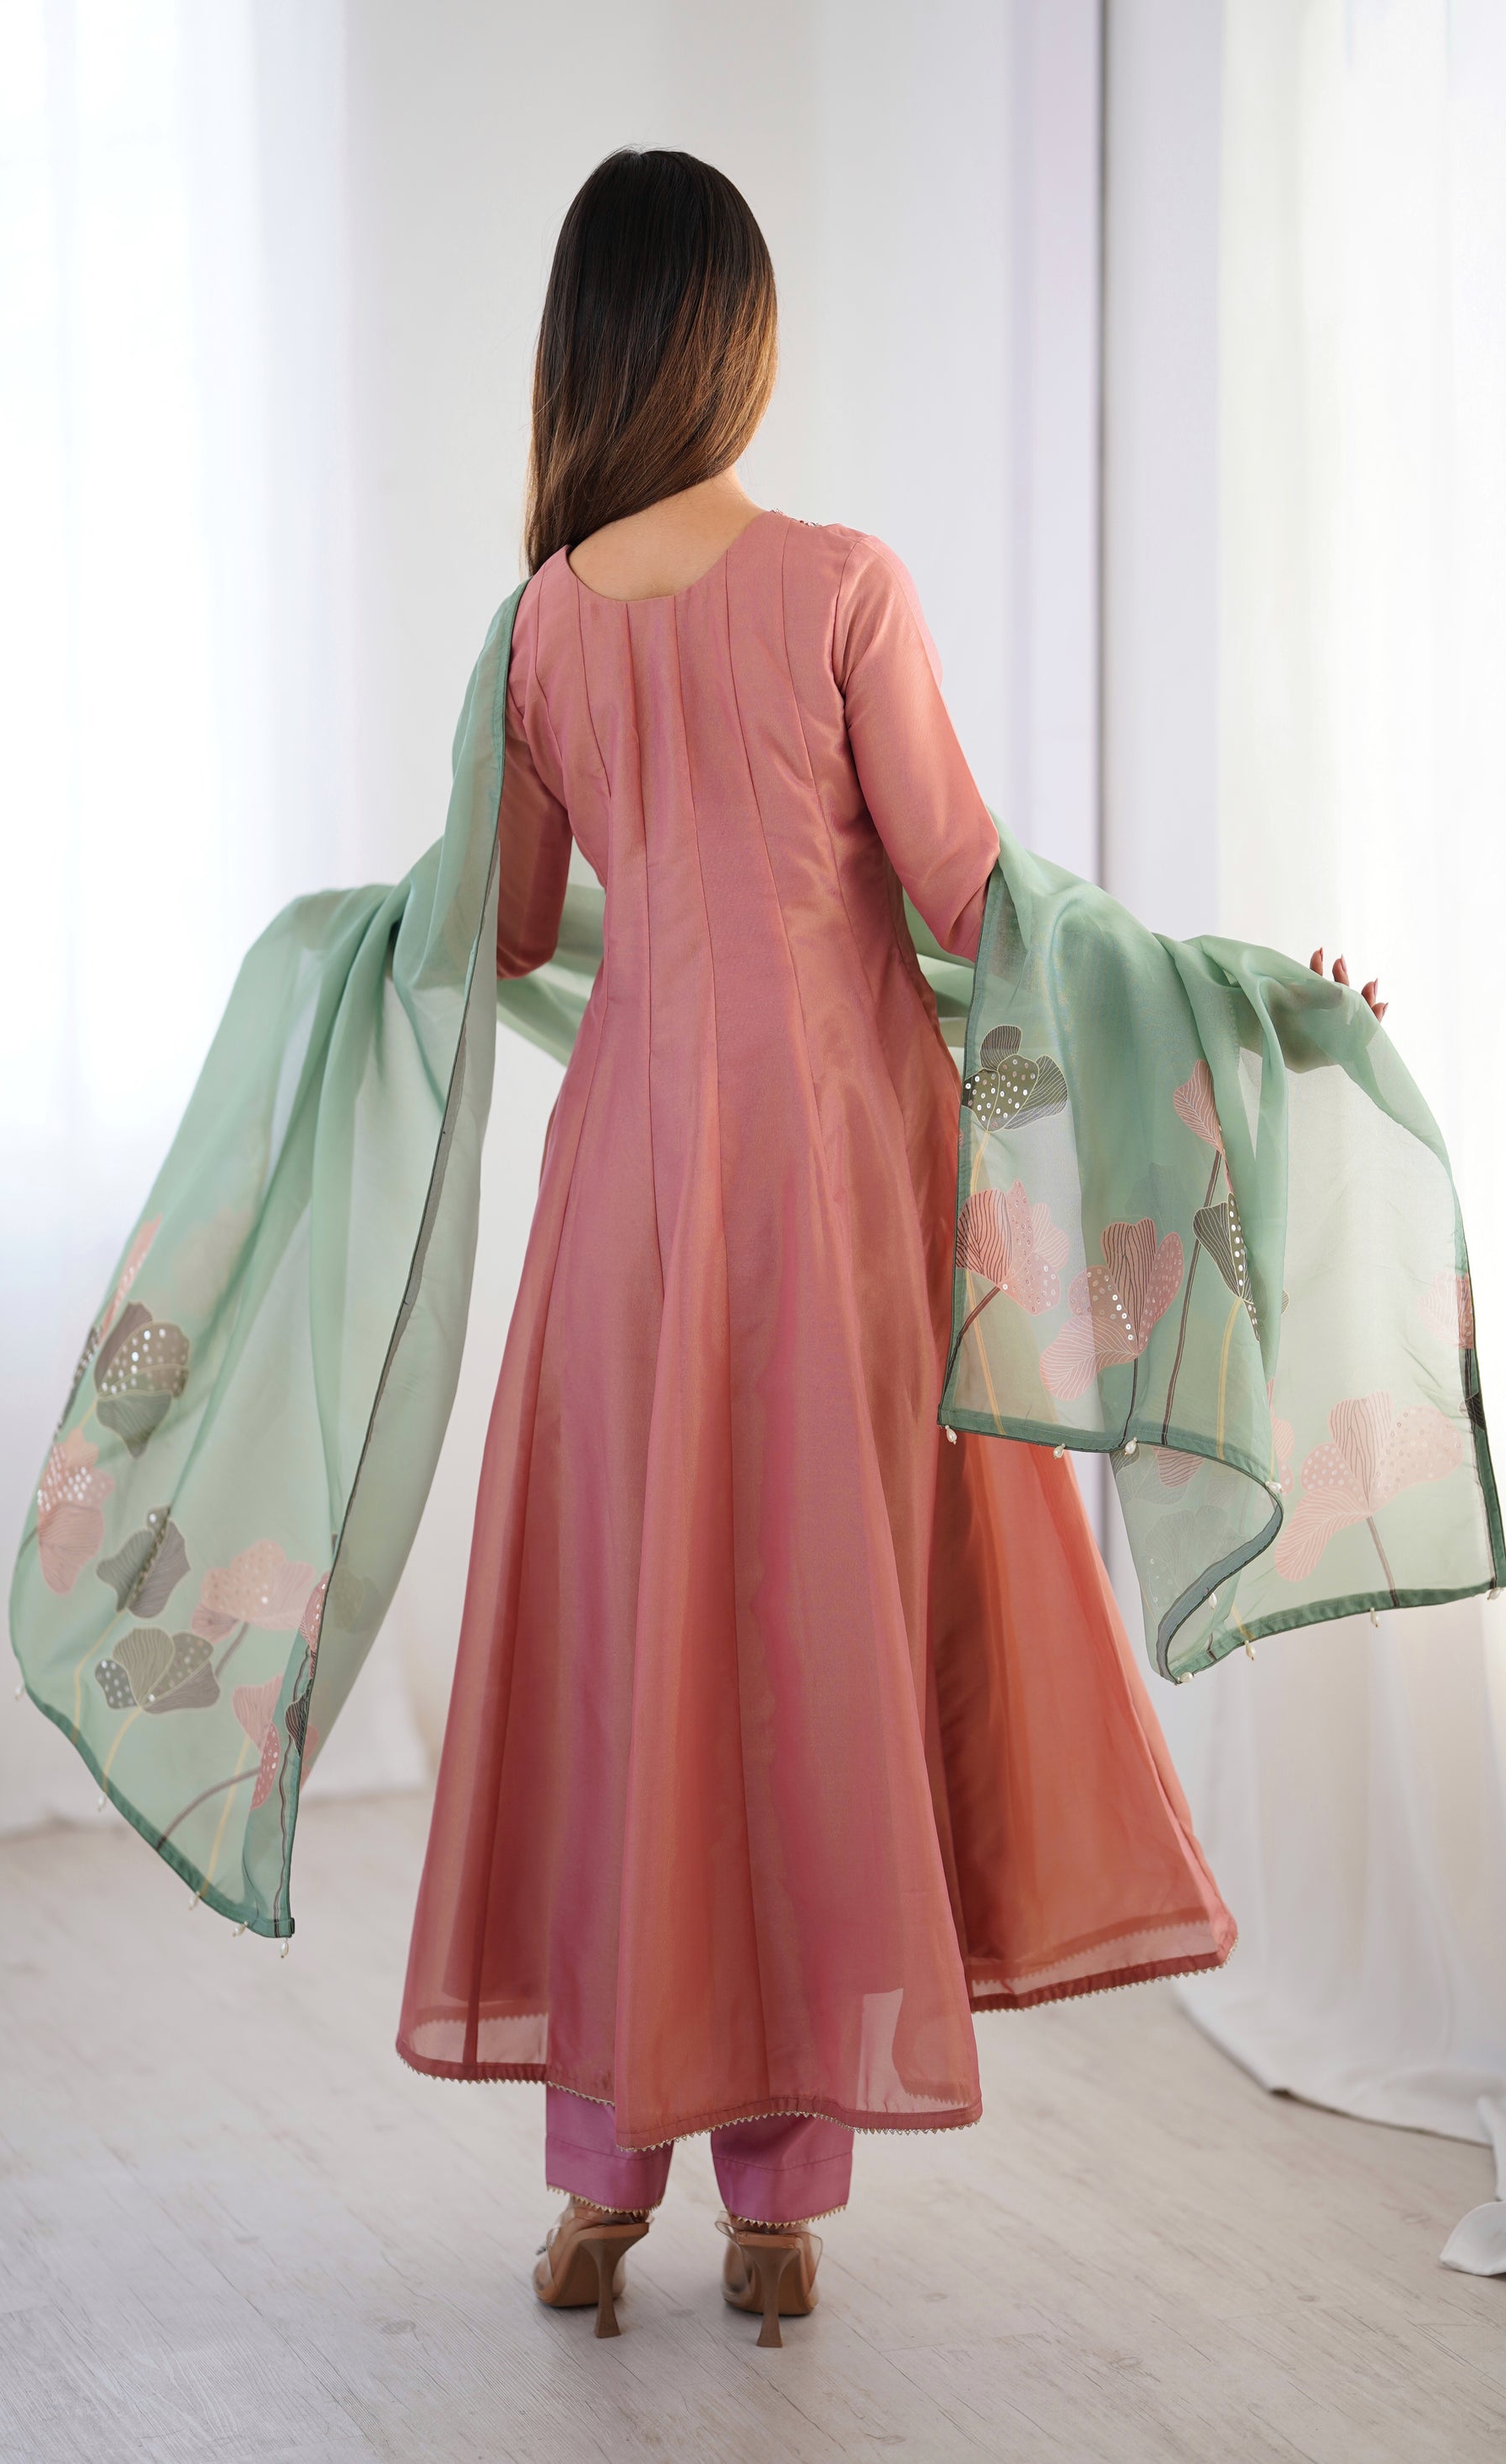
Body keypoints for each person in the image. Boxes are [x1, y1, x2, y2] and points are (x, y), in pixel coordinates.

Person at [392, 147, 1400, 2348]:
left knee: (631, 1664)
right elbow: (972, 895)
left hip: (624, 1208)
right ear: (735, 340)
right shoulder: (842, 582)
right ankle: (778, 2204)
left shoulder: (538, 625)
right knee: (802, 1662)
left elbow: (508, 928)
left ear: (582, 348)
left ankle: (598, 2193)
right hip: (837, 1200)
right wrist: (1234, 997)